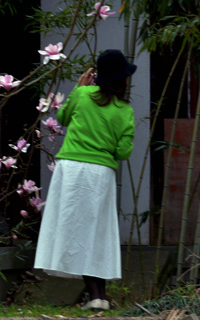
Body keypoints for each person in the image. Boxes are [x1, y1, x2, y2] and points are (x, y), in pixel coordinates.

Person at [33, 49, 137, 311]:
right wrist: (106, 146)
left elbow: (63, 118)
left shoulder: (82, 95)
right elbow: (124, 152)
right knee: (98, 231)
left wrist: (79, 87)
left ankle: (96, 296)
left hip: (71, 169)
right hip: (100, 173)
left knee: (76, 230)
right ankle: (98, 295)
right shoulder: (125, 111)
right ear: (123, 79)